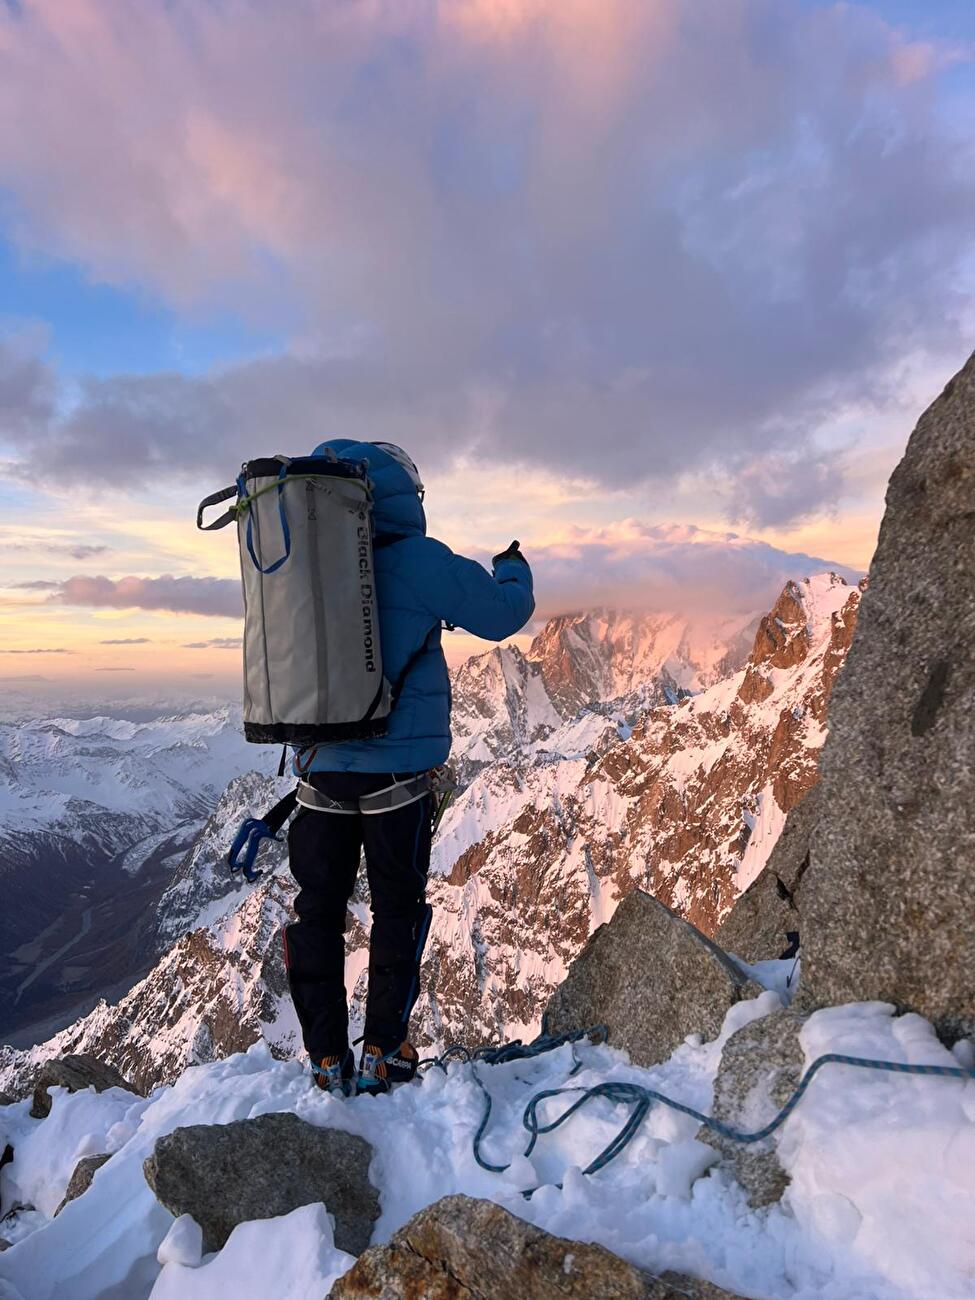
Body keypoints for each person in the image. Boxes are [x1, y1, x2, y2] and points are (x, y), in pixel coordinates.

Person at [283, 439, 534, 1096]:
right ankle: (383, 1052)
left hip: (319, 775)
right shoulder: (420, 562)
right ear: (402, 498)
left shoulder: (302, 565)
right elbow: (503, 615)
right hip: (395, 779)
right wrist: (512, 568)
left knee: (317, 912)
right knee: (395, 908)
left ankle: (325, 1058)